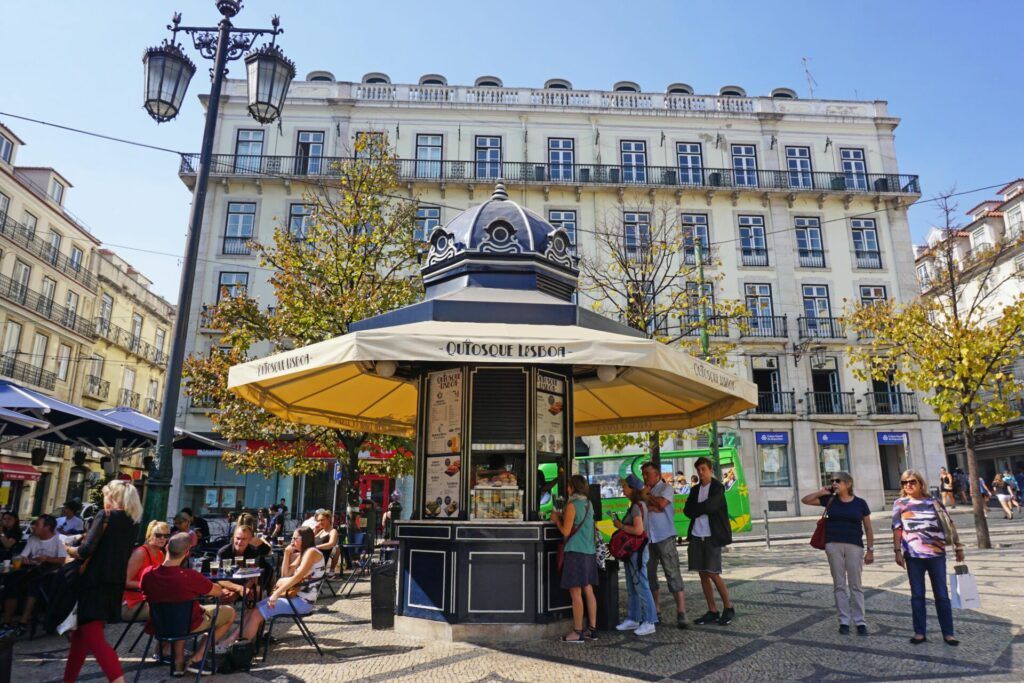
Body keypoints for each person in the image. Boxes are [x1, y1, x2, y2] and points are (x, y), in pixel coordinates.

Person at [62, 479, 142, 683]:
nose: (104, 499)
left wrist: (67, 548)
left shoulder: (106, 516)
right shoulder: (133, 522)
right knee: (81, 637)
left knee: (95, 640)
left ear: (113, 497)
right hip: (114, 583)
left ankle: (118, 680)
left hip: (93, 582)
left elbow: (86, 551)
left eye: (106, 495)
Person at [141, 533, 238, 676]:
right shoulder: (189, 576)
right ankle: (197, 658)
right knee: (230, 613)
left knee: (181, 612)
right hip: (188, 623)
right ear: (187, 553)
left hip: (160, 624)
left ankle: (178, 662)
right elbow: (217, 592)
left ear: (167, 547)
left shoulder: (147, 574)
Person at [892, 469, 963, 646]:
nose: (908, 485)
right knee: (917, 595)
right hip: (913, 555)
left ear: (920, 483)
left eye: (912, 481)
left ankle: (948, 633)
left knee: (941, 594)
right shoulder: (900, 504)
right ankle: (919, 632)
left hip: (936, 554)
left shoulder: (934, 502)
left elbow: (949, 523)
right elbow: (897, 528)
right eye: (904, 482)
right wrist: (897, 551)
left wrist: (958, 546)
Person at [801, 472, 874, 635]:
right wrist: (821, 492)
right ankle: (844, 621)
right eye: (832, 480)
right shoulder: (830, 500)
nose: (834, 483)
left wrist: (870, 550)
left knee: (856, 584)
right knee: (839, 584)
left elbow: (868, 528)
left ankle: (860, 621)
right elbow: (805, 500)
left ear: (848, 484)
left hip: (855, 545)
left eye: (838, 481)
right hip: (833, 544)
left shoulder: (860, 503)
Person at [238, 527, 325, 643]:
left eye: (295, 538)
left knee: (256, 614)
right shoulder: (303, 554)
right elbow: (285, 575)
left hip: (302, 602)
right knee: (255, 607)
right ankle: (240, 641)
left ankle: (242, 647)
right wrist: (287, 554)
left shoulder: (311, 552)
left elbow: (296, 578)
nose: (292, 541)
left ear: (304, 539)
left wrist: (277, 594)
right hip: (295, 598)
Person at [683, 456, 734, 626]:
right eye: (698, 470)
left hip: (713, 535)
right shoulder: (695, 489)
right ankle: (712, 610)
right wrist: (700, 509)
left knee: (713, 572)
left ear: (710, 470)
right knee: (702, 573)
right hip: (697, 535)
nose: (700, 472)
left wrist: (698, 508)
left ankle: (728, 607)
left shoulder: (718, 487)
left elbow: (712, 506)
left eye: (703, 469)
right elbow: (687, 511)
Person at [550, 474, 598, 643]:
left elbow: (565, 531)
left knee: (575, 592)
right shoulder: (588, 503)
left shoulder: (572, 505)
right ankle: (592, 629)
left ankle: (577, 632)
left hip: (575, 551)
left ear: (571, 487)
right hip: (588, 551)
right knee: (588, 589)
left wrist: (556, 519)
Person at [640, 461, 688, 629]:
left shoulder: (665, 488)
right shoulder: (645, 491)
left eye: (647, 473)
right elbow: (644, 510)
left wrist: (649, 499)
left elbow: (661, 505)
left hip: (665, 536)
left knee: (672, 572)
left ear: (657, 475)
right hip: (649, 538)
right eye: (643, 473)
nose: (645, 476)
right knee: (650, 574)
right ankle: (656, 610)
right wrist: (649, 502)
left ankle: (681, 611)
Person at [0, 514, 67, 634]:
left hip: (49, 575)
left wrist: (47, 559)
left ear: (47, 527)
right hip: (32, 570)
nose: (33, 527)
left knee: (34, 585)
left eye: (37, 524)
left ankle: (23, 622)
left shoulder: (57, 540)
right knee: (12, 583)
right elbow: (23, 555)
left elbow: (63, 559)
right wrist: (24, 559)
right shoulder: (32, 539)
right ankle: (7, 622)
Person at [614, 474, 657, 636]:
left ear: (632, 489)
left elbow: (638, 530)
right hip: (632, 553)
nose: (623, 490)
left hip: (636, 553)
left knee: (642, 585)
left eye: (625, 487)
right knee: (633, 587)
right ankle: (634, 618)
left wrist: (620, 525)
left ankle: (650, 620)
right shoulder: (638, 505)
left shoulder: (636, 507)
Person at [122, 520, 170, 623]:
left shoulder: (160, 553)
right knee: (170, 611)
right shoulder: (141, 553)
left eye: (166, 536)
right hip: (131, 604)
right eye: (158, 535)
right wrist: (148, 584)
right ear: (149, 535)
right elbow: (125, 581)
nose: (163, 538)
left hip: (148, 600)